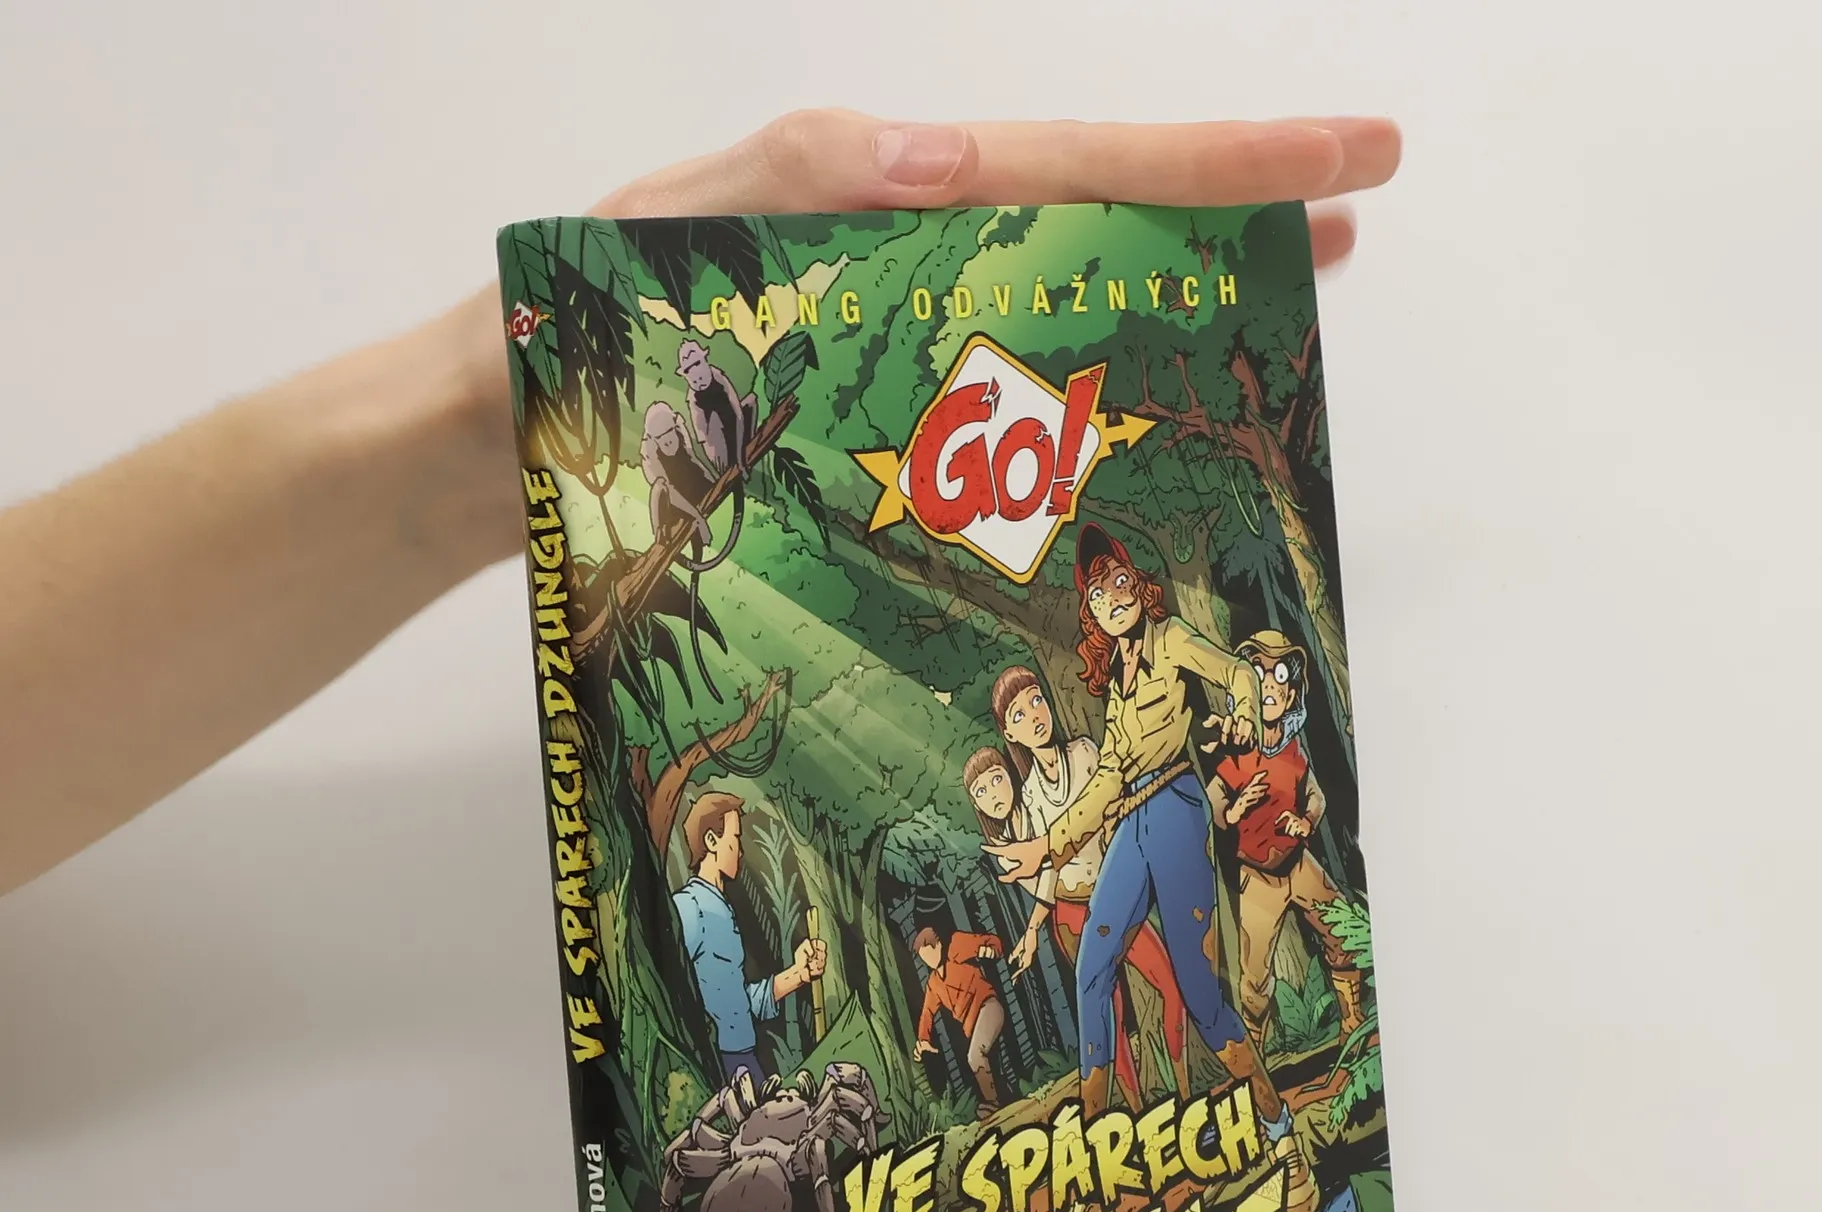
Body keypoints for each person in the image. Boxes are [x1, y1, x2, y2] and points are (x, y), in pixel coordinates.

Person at [0, 111, 1399, 899]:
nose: (1112, 605)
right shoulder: (1071, 704)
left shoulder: (1148, 666)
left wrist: (484, 417)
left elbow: (1193, 684)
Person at [992, 526, 1287, 1125]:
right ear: (1092, 613)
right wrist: (1046, 847)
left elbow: (1238, 674)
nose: (1111, 600)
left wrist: (1244, 717)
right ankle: (1097, 1133)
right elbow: (1107, 777)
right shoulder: (1117, 680)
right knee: (1091, 972)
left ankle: (1275, 1119)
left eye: (1118, 582)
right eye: (1097, 595)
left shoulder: (1170, 638)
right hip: (1130, 821)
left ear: (1138, 585)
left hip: (1175, 806)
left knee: (1199, 990)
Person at [989, 665, 1190, 1106]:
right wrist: (1032, 929)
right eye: (1019, 714)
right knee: (1108, 1012)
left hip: (1118, 891)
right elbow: (1048, 868)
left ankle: (1188, 1091)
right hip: (1073, 914)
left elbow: (1118, 809)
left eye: (1036, 701)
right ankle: (1138, 1113)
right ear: (1009, 733)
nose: (1034, 716)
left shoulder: (1084, 753)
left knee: (1170, 982)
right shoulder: (1029, 798)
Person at [1205, 631, 1365, 1047]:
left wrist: (1306, 820)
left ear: (1292, 694)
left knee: (1342, 931)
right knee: (1255, 978)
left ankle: (1354, 1024)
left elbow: (1316, 796)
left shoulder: (1294, 751)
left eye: (1279, 677)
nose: (1270, 687)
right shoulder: (1237, 751)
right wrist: (1234, 811)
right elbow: (1212, 802)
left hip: (1298, 864)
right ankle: (1257, 1059)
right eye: (1259, 674)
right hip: (1256, 878)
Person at [672, 790, 825, 1090]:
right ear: (711, 841)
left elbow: (739, 1002)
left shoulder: (721, 907)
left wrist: (799, 973)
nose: (740, 851)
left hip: (743, 1058)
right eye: (736, 838)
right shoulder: (689, 906)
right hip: (719, 1065)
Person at [910, 923, 1006, 1119]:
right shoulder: (934, 984)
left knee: (975, 1056)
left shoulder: (956, 945)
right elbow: (927, 1012)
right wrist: (923, 1040)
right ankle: (1000, 1102)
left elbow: (991, 941)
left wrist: (991, 950)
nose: (928, 961)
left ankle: (993, 1103)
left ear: (938, 945)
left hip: (988, 1007)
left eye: (929, 952)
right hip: (972, 1027)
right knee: (985, 1063)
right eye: (923, 957)